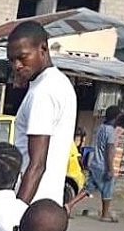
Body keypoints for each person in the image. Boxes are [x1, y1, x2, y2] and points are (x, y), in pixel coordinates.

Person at [7, 21, 77, 205]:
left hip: (32, 203)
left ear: (43, 49)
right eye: (12, 60)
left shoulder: (43, 93)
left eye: (23, 57)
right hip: (46, 202)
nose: (17, 65)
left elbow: (37, 165)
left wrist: (16, 213)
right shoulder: (60, 83)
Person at [66, 106, 122, 222]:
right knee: (107, 189)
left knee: (88, 188)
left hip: (95, 162)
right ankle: (105, 214)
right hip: (103, 165)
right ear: (115, 118)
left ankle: (69, 205)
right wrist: (110, 168)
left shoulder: (101, 127)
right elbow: (109, 150)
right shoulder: (110, 131)